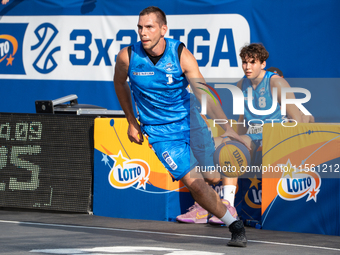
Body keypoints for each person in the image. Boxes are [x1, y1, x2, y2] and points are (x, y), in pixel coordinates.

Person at [113, 6, 247, 247]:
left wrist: (226, 126)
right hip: (161, 134)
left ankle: (219, 151)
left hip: (190, 121)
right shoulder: (127, 56)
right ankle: (234, 226)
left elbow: (203, 92)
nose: (143, 33)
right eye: (140, 27)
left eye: (149, 27)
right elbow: (119, 83)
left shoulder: (180, 54)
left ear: (163, 29)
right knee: (195, 183)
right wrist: (132, 121)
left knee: (212, 176)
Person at [178, 44, 315, 225]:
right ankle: (204, 205)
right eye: (244, 62)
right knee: (206, 143)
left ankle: (228, 206)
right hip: (250, 137)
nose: (247, 67)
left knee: (232, 148)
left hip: (271, 139)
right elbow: (243, 120)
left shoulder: (275, 82)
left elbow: (296, 118)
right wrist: (233, 135)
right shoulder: (241, 84)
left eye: (253, 62)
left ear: (263, 64)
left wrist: (279, 143)